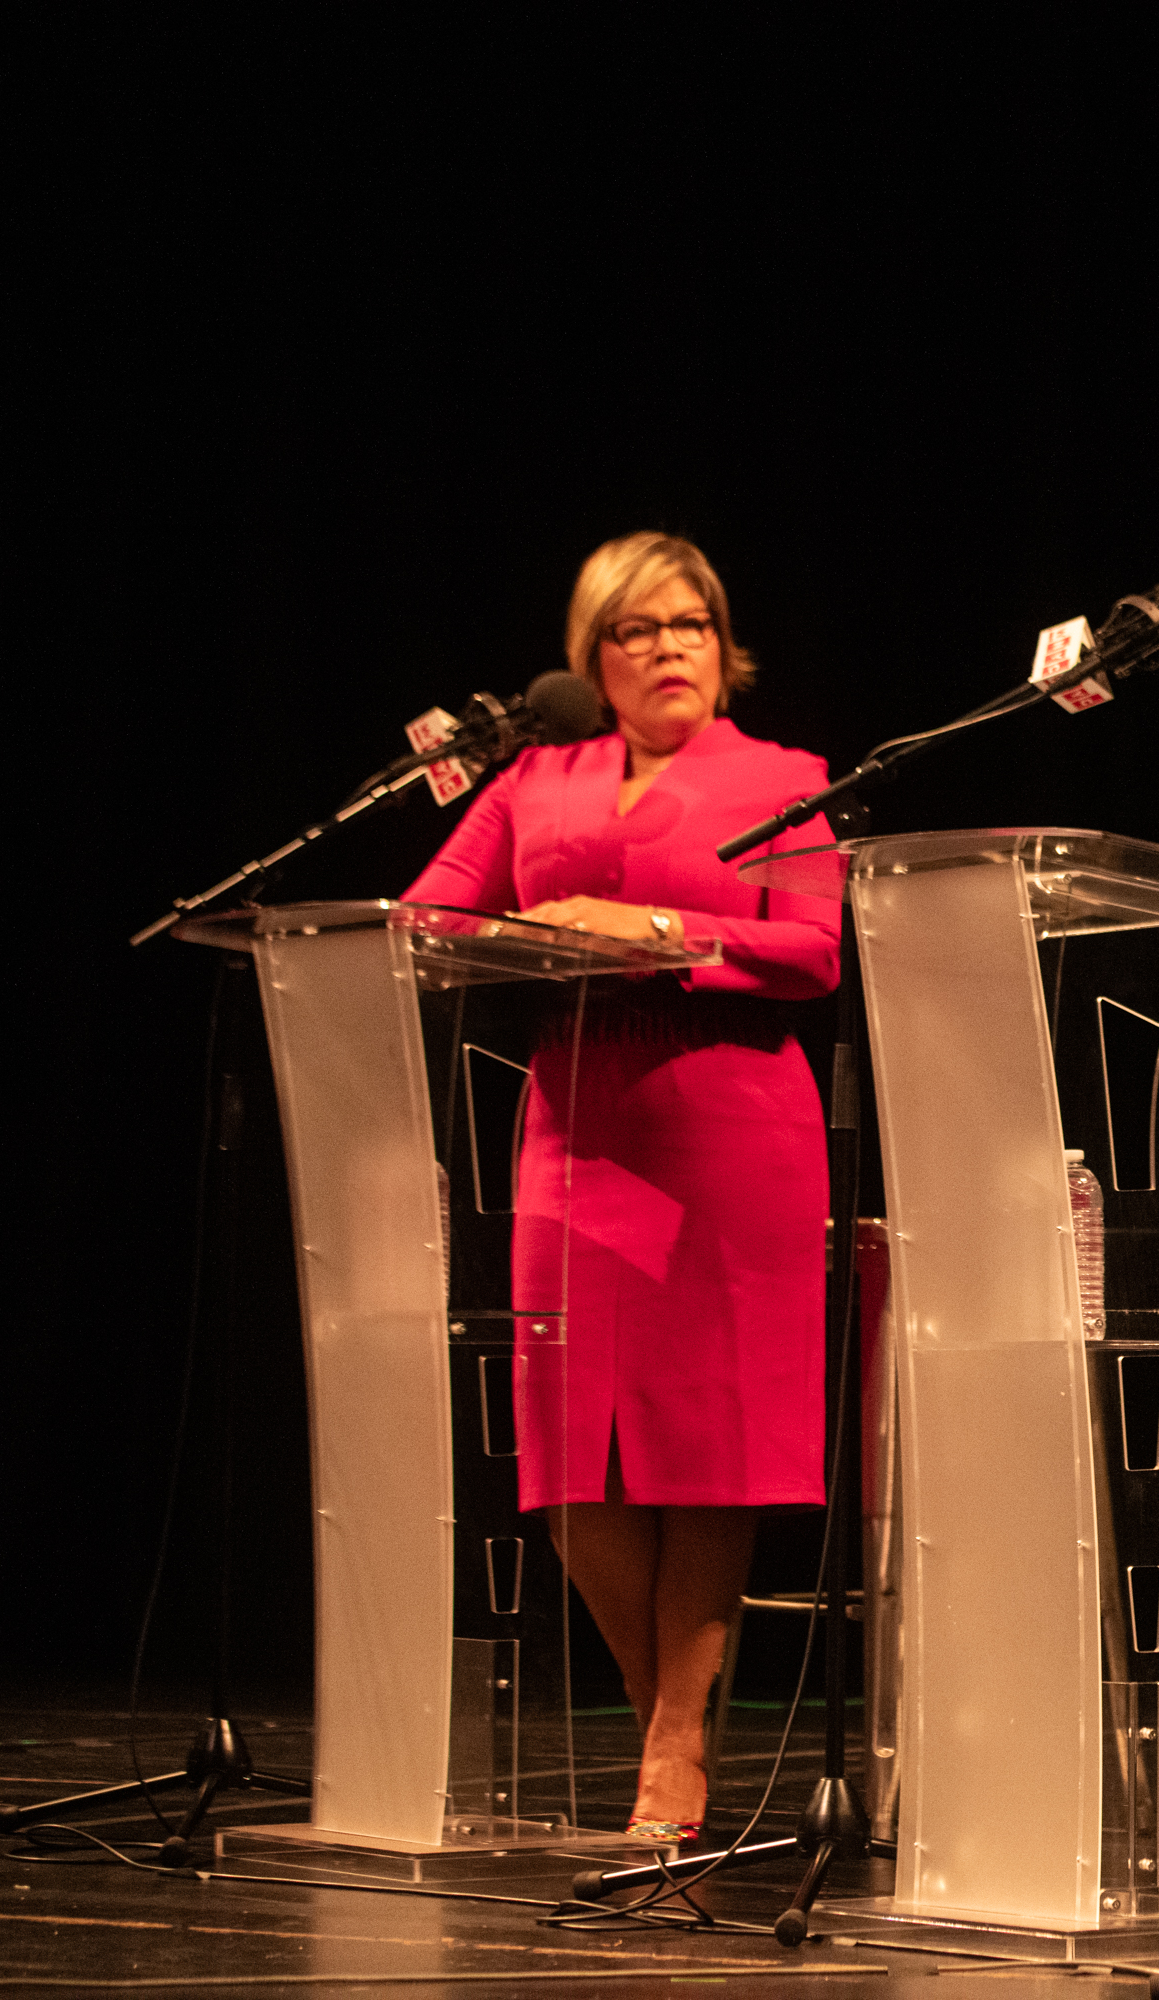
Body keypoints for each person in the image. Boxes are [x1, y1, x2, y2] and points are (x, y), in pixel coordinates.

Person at [405, 532, 839, 1846]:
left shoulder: (784, 778)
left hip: (731, 1129)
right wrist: (537, 942)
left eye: (691, 625)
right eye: (640, 630)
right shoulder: (538, 777)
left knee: (709, 1450)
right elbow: (426, 920)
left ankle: (678, 1745)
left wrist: (659, 933)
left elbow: (816, 948)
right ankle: (667, 1714)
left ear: (724, 645)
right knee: (573, 1458)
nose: (669, 650)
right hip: (578, 1134)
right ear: (594, 659)